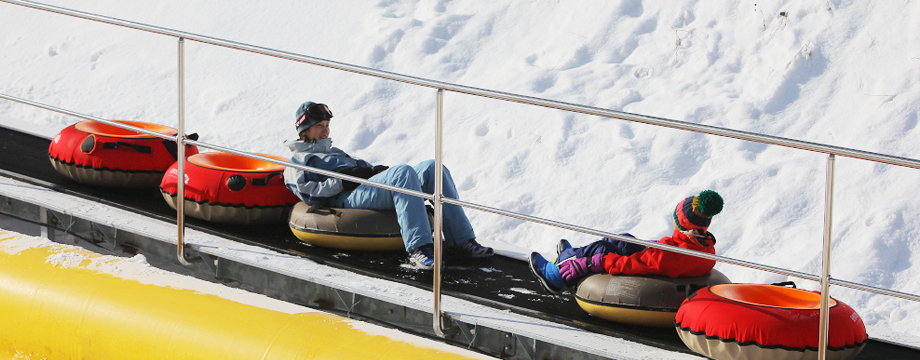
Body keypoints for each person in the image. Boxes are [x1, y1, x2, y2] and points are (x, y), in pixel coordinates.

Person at [283, 101, 493, 270]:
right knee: (402, 173)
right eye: (319, 126)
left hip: (361, 187)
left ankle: (461, 241)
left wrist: (374, 171)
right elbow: (309, 194)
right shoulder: (297, 162)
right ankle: (419, 248)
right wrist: (342, 181)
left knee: (433, 168)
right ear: (304, 129)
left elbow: (361, 169)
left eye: (327, 126)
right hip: (344, 198)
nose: (325, 131)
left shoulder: (335, 152)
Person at [529, 190, 723, 294]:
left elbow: (639, 263)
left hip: (649, 267)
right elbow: (674, 252)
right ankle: (571, 258)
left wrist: (597, 262)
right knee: (625, 239)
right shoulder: (703, 243)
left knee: (600, 250)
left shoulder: (670, 255)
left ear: (680, 222)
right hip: (659, 259)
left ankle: (554, 276)